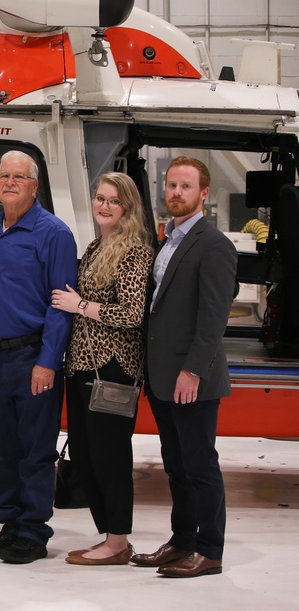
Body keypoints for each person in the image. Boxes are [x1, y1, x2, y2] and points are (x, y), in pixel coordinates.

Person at [131, 156, 236, 578]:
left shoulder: (214, 246)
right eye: (171, 185)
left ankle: (209, 550)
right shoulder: (167, 240)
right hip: (162, 376)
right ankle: (182, 541)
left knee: (200, 466)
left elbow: (214, 317)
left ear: (203, 194)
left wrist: (193, 369)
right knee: (175, 466)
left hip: (191, 379)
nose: (176, 193)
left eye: (185, 187)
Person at [0, 150, 77, 564]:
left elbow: (60, 304)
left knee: (35, 450)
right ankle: (10, 523)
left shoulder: (54, 233)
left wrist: (48, 361)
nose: (10, 183)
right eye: (4, 176)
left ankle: (34, 531)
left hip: (33, 356)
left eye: (20, 177)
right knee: (1, 450)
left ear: (35, 186)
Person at [49, 172, 153, 565]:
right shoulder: (95, 246)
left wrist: (81, 307)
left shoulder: (134, 253)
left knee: (110, 457)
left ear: (127, 207)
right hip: (81, 367)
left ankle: (118, 541)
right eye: (99, 198)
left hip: (113, 370)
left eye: (113, 200)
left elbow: (131, 315)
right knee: (87, 457)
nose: (104, 206)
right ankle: (109, 536)